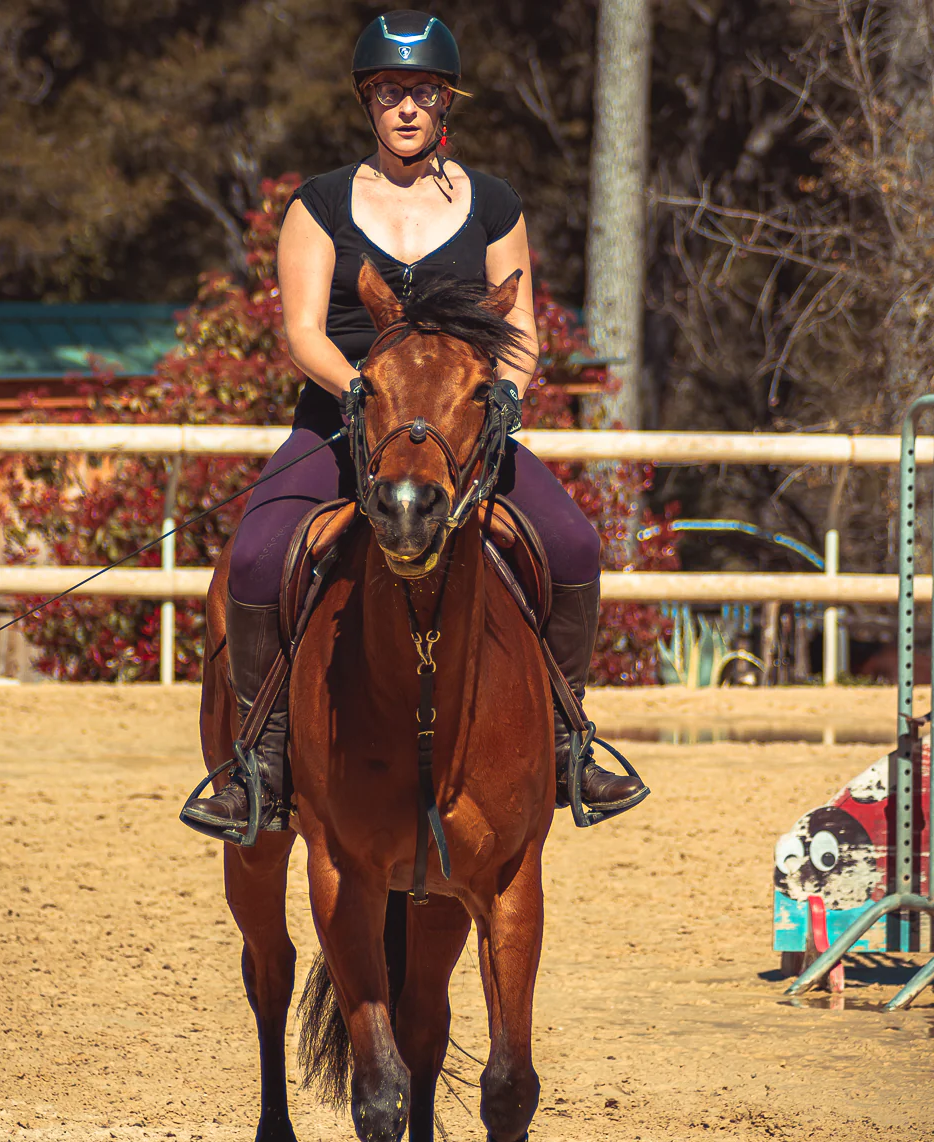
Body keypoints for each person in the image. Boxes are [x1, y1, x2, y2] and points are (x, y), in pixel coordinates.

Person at [181, 10, 646, 840]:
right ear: (368, 99)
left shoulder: (495, 204)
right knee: (253, 559)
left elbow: (522, 332)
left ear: (446, 102)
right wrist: (358, 390)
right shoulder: (319, 203)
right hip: (344, 417)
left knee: (573, 545)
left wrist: (503, 397)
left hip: (463, 428)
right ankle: (258, 765)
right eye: (390, 90)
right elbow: (301, 332)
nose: (406, 107)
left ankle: (570, 741)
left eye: (422, 91)